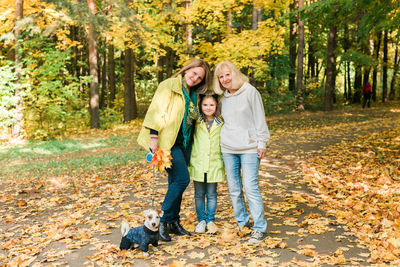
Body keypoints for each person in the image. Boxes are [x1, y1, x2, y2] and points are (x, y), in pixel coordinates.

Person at [137, 58, 211, 242]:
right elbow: (157, 110)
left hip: (184, 143)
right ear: (187, 69)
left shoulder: (192, 93)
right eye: (194, 73)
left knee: (174, 182)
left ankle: (173, 221)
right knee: (182, 179)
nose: (195, 78)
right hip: (166, 142)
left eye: (200, 77)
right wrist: (154, 137)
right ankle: (162, 220)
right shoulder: (169, 84)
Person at [213, 60, 270, 244]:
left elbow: (259, 118)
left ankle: (259, 228)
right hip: (228, 148)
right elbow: (215, 118)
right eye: (221, 77)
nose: (224, 79)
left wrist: (262, 143)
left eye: (227, 75)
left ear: (234, 74)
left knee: (250, 187)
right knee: (234, 189)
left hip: (249, 147)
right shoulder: (222, 98)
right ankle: (242, 223)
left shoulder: (250, 92)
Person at [188, 93, 225, 234]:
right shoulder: (196, 122)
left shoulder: (221, 123)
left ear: (216, 106)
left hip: (214, 163)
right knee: (199, 194)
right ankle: (201, 220)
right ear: (200, 106)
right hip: (198, 162)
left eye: (211, 105)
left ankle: (210, 220)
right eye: (205, 105)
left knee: (212, 193)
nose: (208, 107)